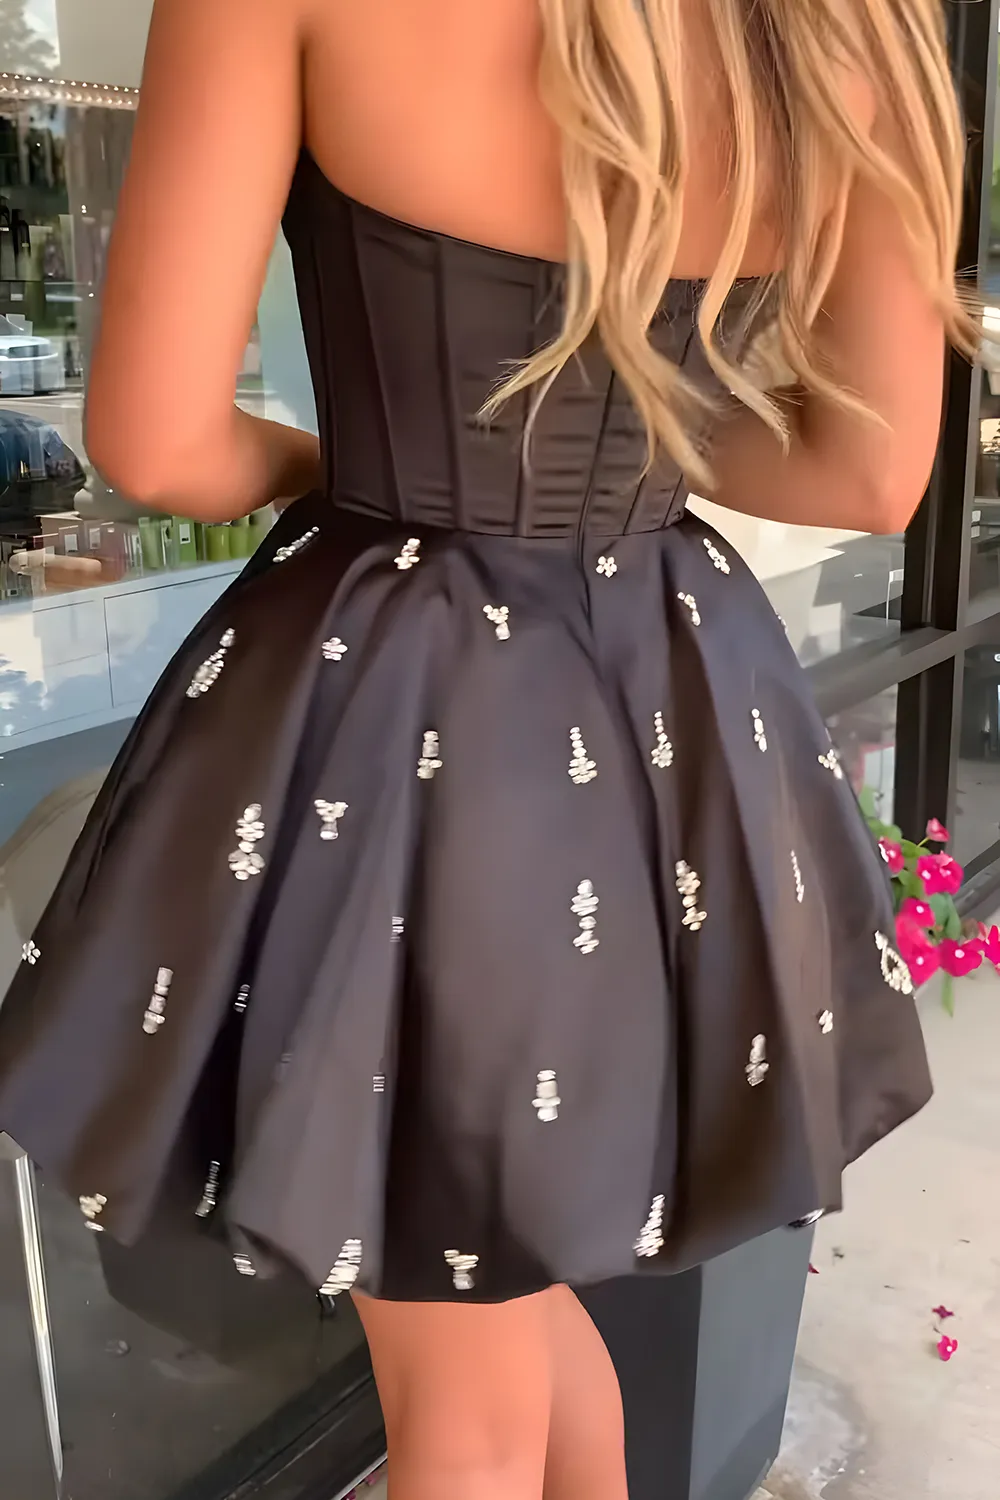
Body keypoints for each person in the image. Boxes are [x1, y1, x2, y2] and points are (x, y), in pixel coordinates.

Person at [0, 2, 974, 1497]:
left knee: (464, 1404)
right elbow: (870, 471)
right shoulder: (857, 30)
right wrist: (612, 443)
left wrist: (382, 459)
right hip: (668, 718)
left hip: (408, 722)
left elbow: (159, 441)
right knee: (509, 1309)